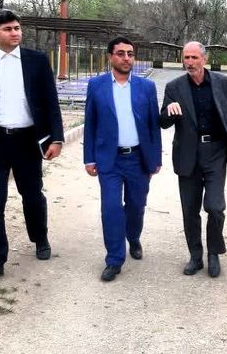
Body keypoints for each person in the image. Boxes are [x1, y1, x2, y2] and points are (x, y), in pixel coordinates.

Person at [0, 8, 64, 285]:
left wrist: (56, 138)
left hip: (28, 141)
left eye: (17, 28)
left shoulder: (37, 61)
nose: (15, 33)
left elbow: (51, 102)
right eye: (8, 29)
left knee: (32, 195)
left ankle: (40, 237)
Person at [159, 41, 227, 278]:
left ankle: (213, 253)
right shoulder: (174, 87)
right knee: (190, 210)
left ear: (204, 59)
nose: (190, 62)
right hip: (187, 154)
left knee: (215, 207)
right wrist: (169, 111)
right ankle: (195, 256)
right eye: (186, 58)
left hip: (216, 152)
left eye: (194, 57)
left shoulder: (222, 82)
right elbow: (162, 122)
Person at [83, 37, 162, 282]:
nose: (126, 58)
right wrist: (89, 158)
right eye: (120, 53)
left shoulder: (146, 87)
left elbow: (153, 125)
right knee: (110, 208)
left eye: (130, 54)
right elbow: (90, 123)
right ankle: (114, 259)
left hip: (138, 158)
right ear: (110, 57)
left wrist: (155, 158)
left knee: (136, 206)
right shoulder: (96, 86)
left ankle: (133, 237)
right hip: (109, 160)